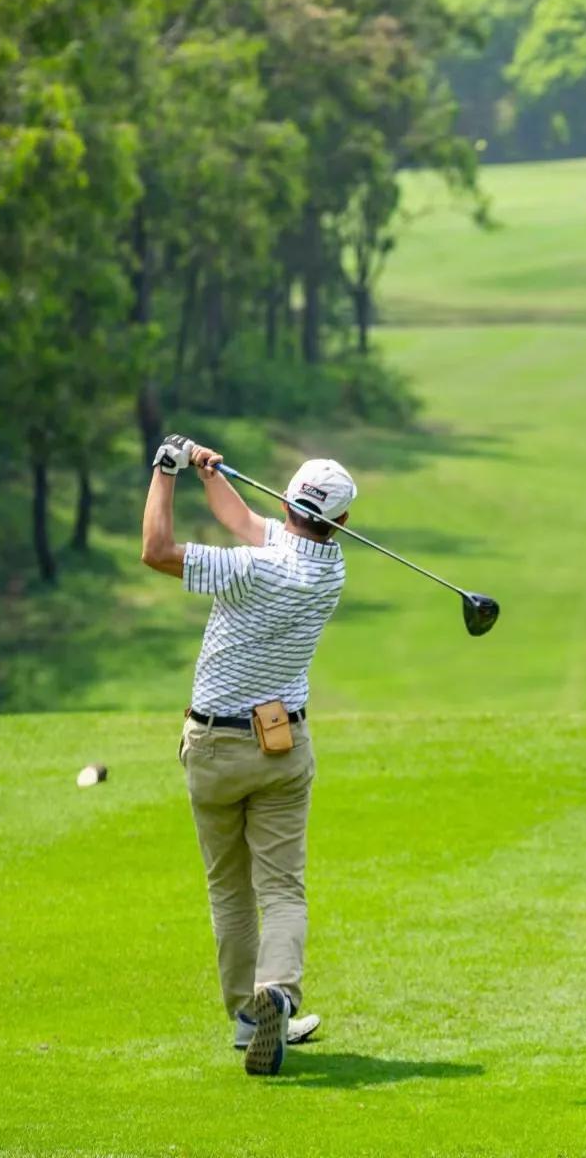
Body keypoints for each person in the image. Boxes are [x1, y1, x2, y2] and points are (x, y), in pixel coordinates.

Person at [140, 433, 355, 1076]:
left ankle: (246, 1017)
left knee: (229, 891)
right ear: (340, 522)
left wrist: (165, 471)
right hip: (282, 746)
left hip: (213, 746)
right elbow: (249, 523)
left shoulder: (249, 567)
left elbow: (156, 551)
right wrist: (211, 476)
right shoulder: (329, 567)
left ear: (287, 500)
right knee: (282, 886)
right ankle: (279, 995)